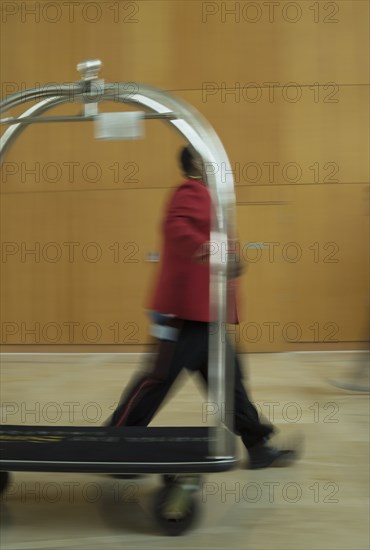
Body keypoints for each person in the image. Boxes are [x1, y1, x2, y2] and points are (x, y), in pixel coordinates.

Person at [107, 146, 298, 469]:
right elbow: (176, 227)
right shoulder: (189, 191)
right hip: (184, 314)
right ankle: (115, 445)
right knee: (157, 380)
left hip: (208, 314)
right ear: (195, 163)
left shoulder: (210, 196)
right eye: (205, 158)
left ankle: (258, 445)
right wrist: (209, 249)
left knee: (229, 382)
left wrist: (229, 257)